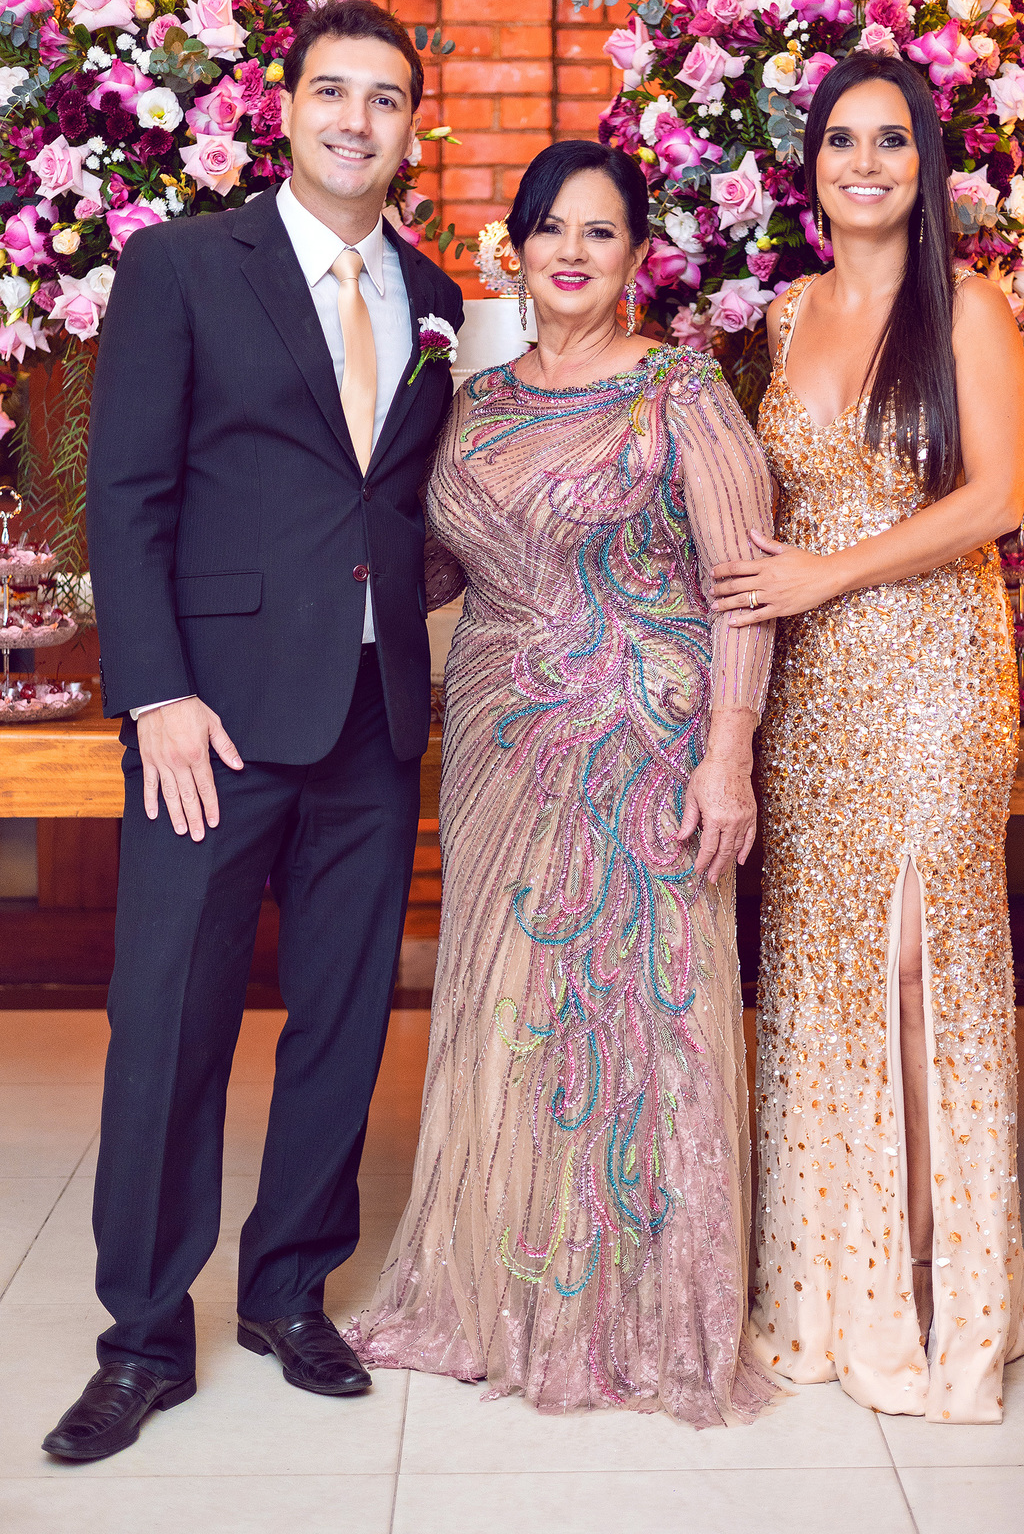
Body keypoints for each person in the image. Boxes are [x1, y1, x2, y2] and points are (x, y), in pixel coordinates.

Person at [44, 0, 464, 1463]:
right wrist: (155, 693)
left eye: (386, 99)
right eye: (333, 92)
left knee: (343, 1026)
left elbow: (403, 505)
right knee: (169, 1025)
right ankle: (144, 1338)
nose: (358, 119)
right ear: (283, 110)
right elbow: (125, 494)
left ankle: (290, 1292)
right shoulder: (181, 266)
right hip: (206, 724)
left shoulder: (435, 294)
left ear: (412, 131)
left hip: (371, 718)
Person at [349, 139, 778, 1427]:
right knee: (509, 1004)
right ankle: (500, 1286)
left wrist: (728, 754)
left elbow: (743, 586)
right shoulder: (474, 402)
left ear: (637, 254)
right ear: (518, 249)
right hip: (496, 746)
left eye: (601, 231)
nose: (573, 253)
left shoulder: (678, 390)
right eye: (551, 229)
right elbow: (436, 566)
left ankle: (641, 1310)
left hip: (646, 745)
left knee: (641, 1014)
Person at [713, 53, 1024, 1424]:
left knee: (918, 961)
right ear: (812, 165)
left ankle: (934, 1277)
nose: (864, 162)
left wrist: (826, 577)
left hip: (937, 674)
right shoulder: (789, 313)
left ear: (925, 163)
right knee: (825, 962)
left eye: (890, 140)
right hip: (814, 691)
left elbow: (998, 498)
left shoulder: (969, 304)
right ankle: (837, 1279)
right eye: (842, 139)